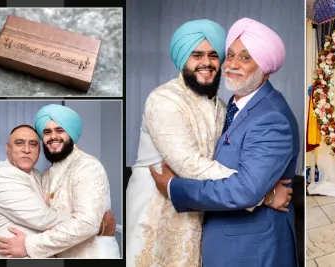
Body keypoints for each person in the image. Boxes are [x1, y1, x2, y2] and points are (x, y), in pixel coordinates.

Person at [125, 18, 292, 267]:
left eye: (214, 55)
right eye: (197, 55)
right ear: (183, 59)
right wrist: (263, 195)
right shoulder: (164, 100)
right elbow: (189, 165)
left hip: (199, 209)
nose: (206, 63)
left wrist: (253, 188)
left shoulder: (221, 106)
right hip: (157, 210)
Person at [0, 105, 120, 258]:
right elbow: (36, 216)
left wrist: (28, 245)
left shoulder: (88, 166)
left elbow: (86, 224)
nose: (53, 136)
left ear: (71, 133)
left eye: (60, 130)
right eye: (47, 132)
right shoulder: (46, 176)